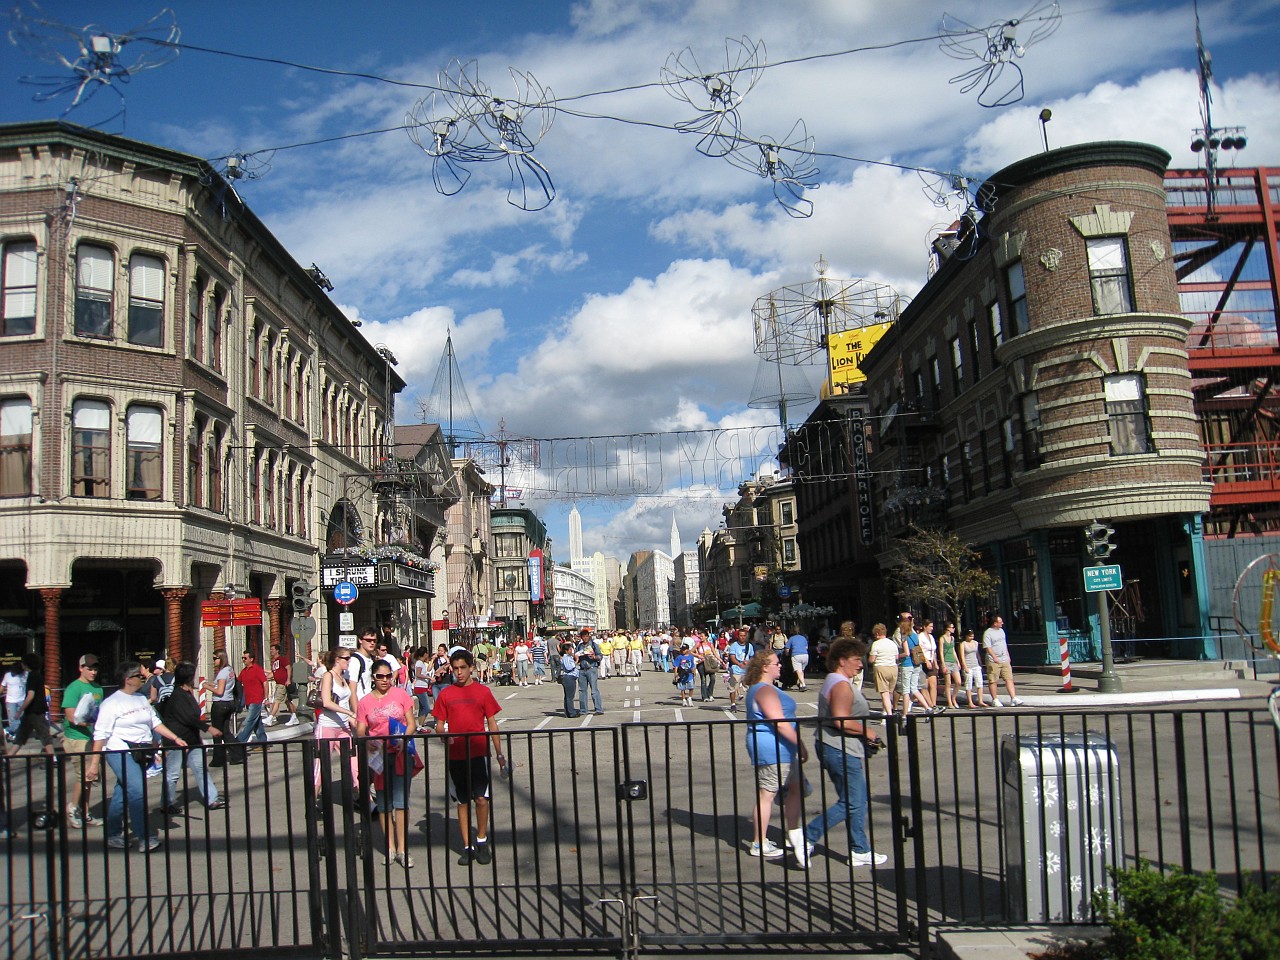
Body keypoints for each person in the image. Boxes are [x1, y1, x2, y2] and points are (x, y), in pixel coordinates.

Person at [804, 638, 888, 867]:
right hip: (839, 748)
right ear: (842, 661)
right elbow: (841, 719)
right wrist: (867, 732)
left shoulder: (835, 680)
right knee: (853, 801)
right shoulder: (840, 684)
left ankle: (859, 848)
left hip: (838, 746)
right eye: (856, 659)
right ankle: (807, 835)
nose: (860, 664)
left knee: (856, 799)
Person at [90, 661, 187, 852]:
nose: (143, 679)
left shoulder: (141, 699)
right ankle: (144, 837)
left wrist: (175, 738)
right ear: (128, 679)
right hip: (119, 751)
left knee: (122, 793)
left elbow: (154, 723)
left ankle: (113, 834)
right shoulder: (111, 703)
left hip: (142, 752)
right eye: (139, 676)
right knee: (137, 791)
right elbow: (100, 734)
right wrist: (94, 764)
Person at [432, 649, 505, 866]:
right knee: (462, 801)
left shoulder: (482, 692)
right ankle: (467, 846)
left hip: (479, 753)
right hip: (456, 756)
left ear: (471, 668)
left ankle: (481, 840)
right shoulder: (446, 694)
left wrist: (499, 754)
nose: (459, 672)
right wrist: (443, 735)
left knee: (481, 798)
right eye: (455, 668)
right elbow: (439, 724)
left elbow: (492, 723)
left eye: (463, 668)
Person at [743, 649, 809, 867]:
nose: (780, 666)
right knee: (767, 794)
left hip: (783, 747)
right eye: (776, 663)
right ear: (765, 667)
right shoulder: (763, 690)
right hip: (772, 747)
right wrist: (800, 744)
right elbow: (778, 722)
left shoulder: (767, 688)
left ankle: (793, 834)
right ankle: (759, 842)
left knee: (796, 789)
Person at [356, 658, 419, 866]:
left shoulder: (401, 695)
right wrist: (368, 742)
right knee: (384, 804)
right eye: (380, 676)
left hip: (401, 753)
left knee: (401, 802)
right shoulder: (365, 702)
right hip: (378, 756)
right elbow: (361, 730)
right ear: (373, 678)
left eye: (388, 676)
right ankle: (390, 847)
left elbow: (411, 723)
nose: (385, 680)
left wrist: (403, 738)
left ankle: (402, 848)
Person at [160, 662, 226, 813]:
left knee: (200, 769)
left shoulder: (188, 693)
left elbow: (193, 716)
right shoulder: (177, 695)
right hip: (177, 740)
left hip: (192, 739)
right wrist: (208, 728)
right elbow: (188, 718)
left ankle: (212, 799)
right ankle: (166, 803)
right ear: (188, 677)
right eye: (193, 675)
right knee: (173, 773)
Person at [61, 653, 105, 829]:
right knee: (84, 775)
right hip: (77, 737)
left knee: (90, 777)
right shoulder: (73, 688)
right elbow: (71, 717)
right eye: (89, 669)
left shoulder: (98, 688)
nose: (93, 672)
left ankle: (85, 812)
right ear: (81, 668)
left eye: (95, 669)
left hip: (92, 737)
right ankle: (72, 808)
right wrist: (90, 722)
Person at [314, 648, 360, 795]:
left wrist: (353, 719)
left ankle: (365, 799)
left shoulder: (343, 677)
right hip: (327, 726)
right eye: (346, 658)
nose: (349, 661)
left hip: (343, 727)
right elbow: (327, 702)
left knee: (354, 763)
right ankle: (312, 801)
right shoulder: (328, 676)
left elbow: (345, 702)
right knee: (321, 765)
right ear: (337, 660)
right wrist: (349, 713)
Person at [5, 657, 55, 758]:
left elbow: (30, 695)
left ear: (27, 664)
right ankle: (8, 758)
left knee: (44, 735)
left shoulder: (32, 676)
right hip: (32, 711)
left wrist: (20, 710)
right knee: (21, 736)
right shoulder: (36, 675)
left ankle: (53, 758)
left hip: (35, 711)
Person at [201, 650, 238, 766]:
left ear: (221, 658)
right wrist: (211, 684)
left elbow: (220, 691)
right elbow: (222, 686)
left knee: (217, 732)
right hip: (229, 702)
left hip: (220, 704)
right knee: (225, 731)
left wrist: (206, 686)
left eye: (215, 658)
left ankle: (218, 759)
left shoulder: (222, 673)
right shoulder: (230, 670)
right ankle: (237, 755)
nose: (213, 661)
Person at [982, 616, 1024, 706]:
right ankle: (995, 699)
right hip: (993, 660)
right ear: (995, 623)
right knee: (993, 680)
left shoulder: (1001, 631)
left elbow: (1004, 644)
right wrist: (994, 657)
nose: (1002, 623)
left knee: (1009, 678)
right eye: (1000, 622)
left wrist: (1008, 655)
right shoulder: (988, 633)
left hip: (1004, 658)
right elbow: (987, 647)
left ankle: (1013, 698)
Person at [234, 651, 270, 751]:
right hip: (248, 701)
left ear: (251, 659)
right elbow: (237, 682)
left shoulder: (257, 669)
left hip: (256, 700)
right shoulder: (244, 671)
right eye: (242, 658)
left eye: (245, 658)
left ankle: (238, 742)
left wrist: (266, 698)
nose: (243, 660)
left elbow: (265, 682)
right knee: (257, 723)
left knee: (249, 721)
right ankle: (263, 743)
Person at [867, 623, 898, 717]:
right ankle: (884, 713)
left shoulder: (876, 644)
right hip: (893, 668)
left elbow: (872, 659)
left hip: (881, 668)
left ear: (877, 633)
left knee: (884, 694)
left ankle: (889, 715)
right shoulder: (892, 643)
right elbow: (896, 657)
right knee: (889, 693)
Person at [265, 642, 300, 726]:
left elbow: (289, 668)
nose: (271, 651)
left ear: (277, 651)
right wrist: (265, 677)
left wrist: (288, 680)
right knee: (288, 701)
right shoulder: (274, 662)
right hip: (278, 684)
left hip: (282, 684)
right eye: (271, 649)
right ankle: (294, 717)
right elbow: (274, 673)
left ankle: (270, 718)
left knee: (276, 701)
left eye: (273, 649)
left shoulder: (282, 659)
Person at [576, 630, 604, 715]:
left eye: (587, 636)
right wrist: (576, 657)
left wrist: (594, 657)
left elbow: (600, 656)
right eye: (583, 636)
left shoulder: (594, 645)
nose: (585, 638)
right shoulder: (579, 646)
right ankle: (583, 710)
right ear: (581, 637)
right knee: (582, 690)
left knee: (594, 690)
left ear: (589, 636)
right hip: (582, 669)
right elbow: (576, 656)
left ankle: (598, 709)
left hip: (592, 668)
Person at [725, 630, 754, 713]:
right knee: (733, 688)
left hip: (746, 671)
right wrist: (739, 664)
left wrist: (749, 662)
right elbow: (732, 657)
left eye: (744, 635)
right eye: (741, 635)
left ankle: (750, 705)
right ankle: (733, 704)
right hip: (736, 670)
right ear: (738, 636)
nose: (743, 637)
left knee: (750, 688)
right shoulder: (734, 646)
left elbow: (752, 656)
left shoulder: (749, 646)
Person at [916, 619, 942, 711]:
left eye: (932, 626)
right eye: (930, 626)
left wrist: (935, 663)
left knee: (933, 684)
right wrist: (926, 661)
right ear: (925, 627)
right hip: (923, 662)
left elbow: (933, 651)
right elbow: (919, 650)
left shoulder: (931, 637)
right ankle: (925, 704)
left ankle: (934, 705)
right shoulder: (920, 637)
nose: (932, 628)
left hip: (931, 661)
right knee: (924, 686)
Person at [960, 629, 988, 707]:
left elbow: (977, 654)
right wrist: (965, 667)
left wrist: (980, 664)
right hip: (968, 665)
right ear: (966, 636)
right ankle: (970, 702)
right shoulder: (963, 644)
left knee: (979, 683)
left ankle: (980, 700)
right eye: (970, 636)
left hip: (976, 665)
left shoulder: (976, 643)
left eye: (972, 636)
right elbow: (962, 656)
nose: (971, 637)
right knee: (968, 684)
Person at [2, 657, 27, 742]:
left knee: (22, 718)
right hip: (10, 701)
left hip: (21, 699)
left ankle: (8, 731)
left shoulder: (25, 674)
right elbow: (2, 686)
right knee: (12, 719)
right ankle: (14, 735)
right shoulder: (7, 675)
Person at [939, 623, 962, 710]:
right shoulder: (942, 638)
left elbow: (953, 650)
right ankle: (949, 702)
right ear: (947, 628)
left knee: (958, 682)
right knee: (948, 683)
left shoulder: (952, 638)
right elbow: (941, 652)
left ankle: (953, 698)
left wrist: (958, 661)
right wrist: (943, 664)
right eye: (952, 627)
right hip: (946, 661)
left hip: (953, 661)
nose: (953, 629)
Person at [350, 630, 379, 700]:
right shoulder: (355, 660)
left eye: (374, 641)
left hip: (371, 701)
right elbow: (352, 690)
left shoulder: (372, 659)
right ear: (360, 640)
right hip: (360, 701)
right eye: (368, 640)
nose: (372, 643)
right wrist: (355, 707)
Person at [693, 633, 720, 702]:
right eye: (700, 636)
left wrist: (721, 660)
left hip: (710, 663)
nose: (701, 637)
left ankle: (710, 694)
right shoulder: (698, 644)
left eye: (702, 636)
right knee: (703, 680)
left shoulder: (710, 644)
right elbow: (690, 652)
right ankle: (704, 696)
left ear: (706, 637)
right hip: (701, 663)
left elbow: (715, 653)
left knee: (713, 679)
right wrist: (698, 655)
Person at [411, 646, 434, 728]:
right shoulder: (419, 663)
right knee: (426, 708)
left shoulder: (421, 663)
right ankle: (420, 725)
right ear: (424, 654)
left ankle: (420, 723)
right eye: (427, 653)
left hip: (423, 686)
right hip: (420, 687)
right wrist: (428, 677)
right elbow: (418, 674)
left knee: (422, 707)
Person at [559, 641, 580, 717]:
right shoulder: (566, 658)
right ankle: (571, 713)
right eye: (570, 649)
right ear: (566, 651)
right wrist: (576, 661)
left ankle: (568, 712)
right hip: (569, 677)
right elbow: (569, 667)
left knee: (568, 696)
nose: (571, 651)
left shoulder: (569, 657)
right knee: (570, 696)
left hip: (570, 677)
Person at [673, 642, 696, 707]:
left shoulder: (691, 657)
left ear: (687, 650)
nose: (683, 651)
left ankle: (690, 698)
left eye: (684, 649)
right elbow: (676, 666)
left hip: (689, 674)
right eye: (682, 649)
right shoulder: (679, 657)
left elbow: (693, 665)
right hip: (682, 674)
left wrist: (694, 671)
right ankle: (684, 700)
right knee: (682, 688)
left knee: (691, 687)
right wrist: (675, 674)